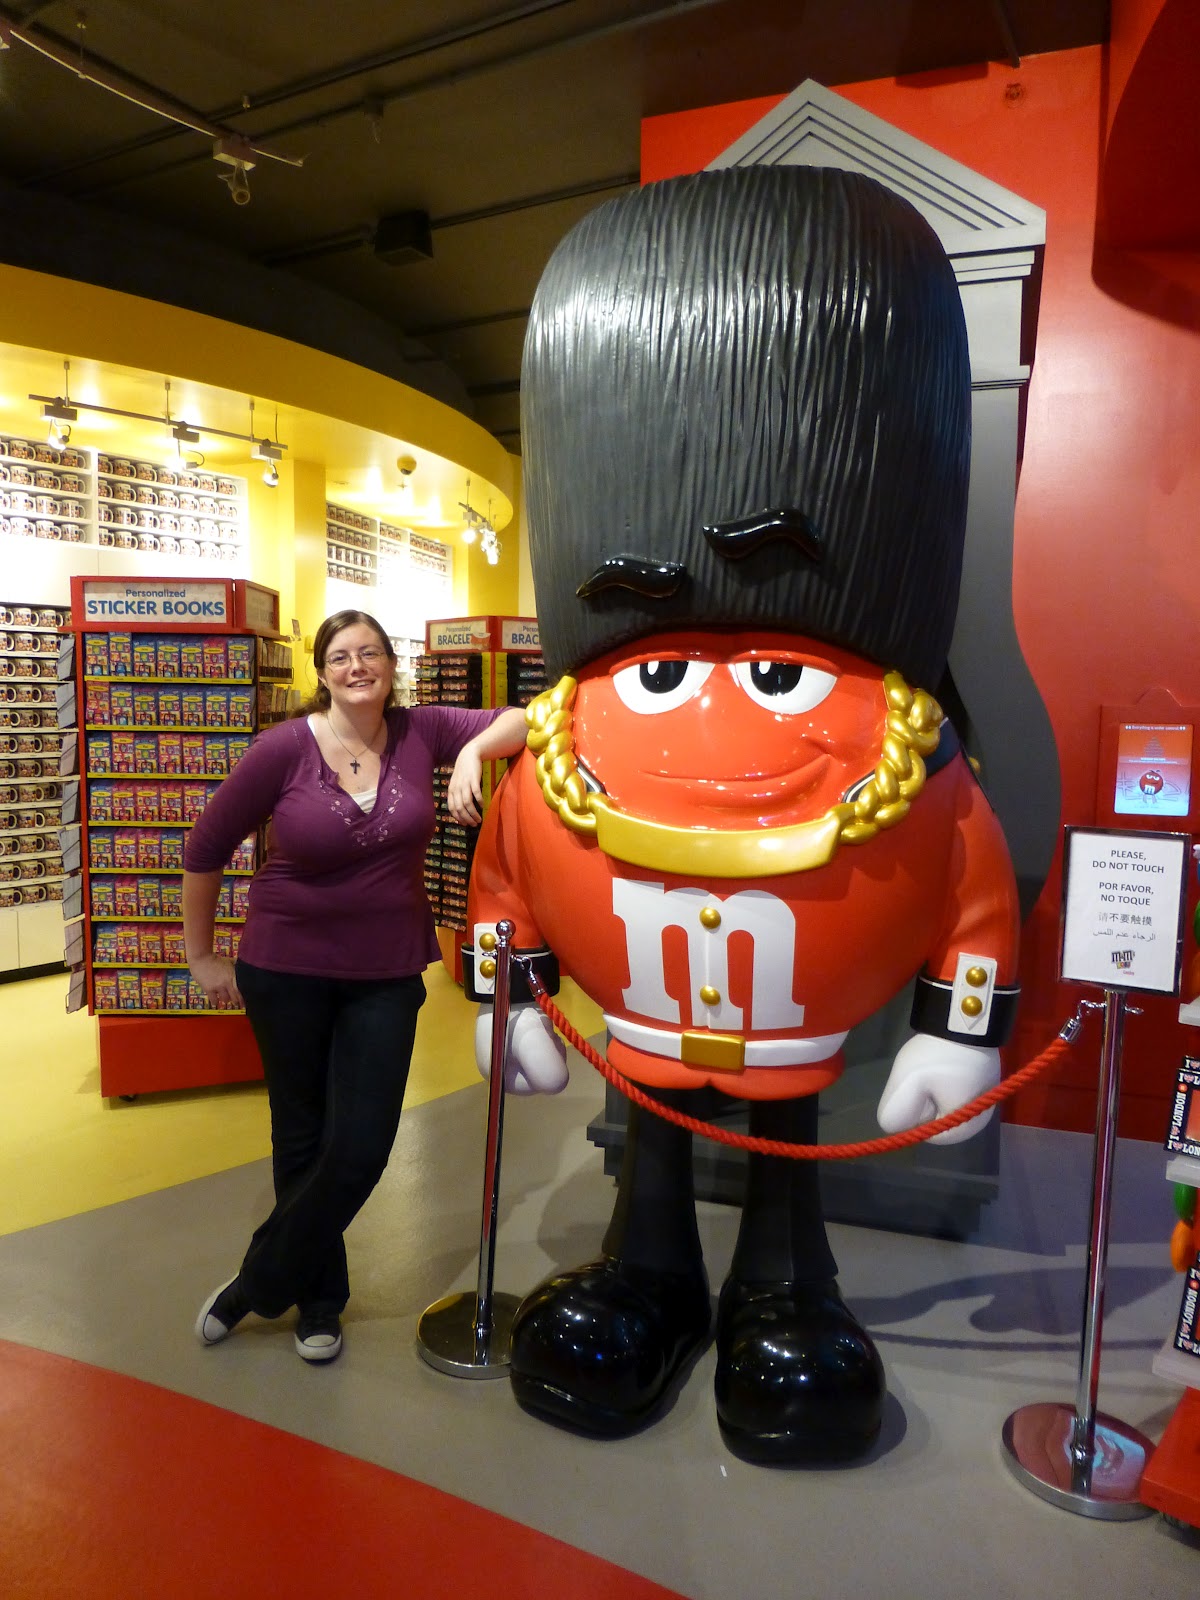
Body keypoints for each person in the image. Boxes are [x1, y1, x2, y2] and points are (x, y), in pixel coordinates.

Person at [183, 608, 528, 1363]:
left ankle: (254, 1284)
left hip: (385, 971)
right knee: (300, 1136)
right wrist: (200, 955)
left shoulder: (422, 730)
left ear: (391, 665)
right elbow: (205, 846)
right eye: (341, 656)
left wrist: (473, 752)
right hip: (284, 967)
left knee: (363, 1143)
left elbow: (523, 720)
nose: (357, 666)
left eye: (370, 652)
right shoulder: (283, 749)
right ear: (322, 672)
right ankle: (319, 1304)